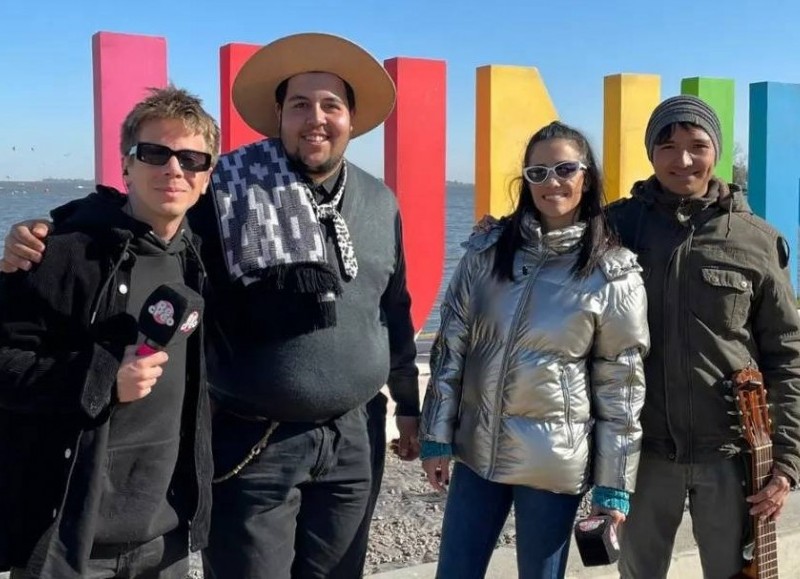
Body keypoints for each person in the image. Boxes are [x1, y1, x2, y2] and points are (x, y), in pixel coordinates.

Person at [1, 32, 421, 579]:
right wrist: (51, 228)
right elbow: (147, 215)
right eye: (298, 104)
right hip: (254, 439)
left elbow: (395, 307)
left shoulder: (380, 200)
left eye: (330, 105)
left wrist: (409, 404)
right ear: (278, 115)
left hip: (354, 439)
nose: (314, 118)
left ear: (351, 118)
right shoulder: (224, 187)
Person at [0, 86, 219, 578]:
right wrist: (99, 379)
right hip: (68, 540)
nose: (173, 169)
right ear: (126, 166)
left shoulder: (203, 259)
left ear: (206, 178)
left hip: (166, 538)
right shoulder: (58, 252)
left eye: (190, 158)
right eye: (154, 153)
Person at [419, 121, 650, 579]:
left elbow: (621, 389)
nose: (553, 183)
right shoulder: (486, 253)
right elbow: (451, 350)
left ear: (587, 177)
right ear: (524, 180)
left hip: (552, 463)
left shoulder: (613, 274)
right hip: (476, 452)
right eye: (538, 172)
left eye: (565, 169)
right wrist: (436, 434)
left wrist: (612, 487)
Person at [605, 94, 800, 578]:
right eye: (668, 145)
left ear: (716, 153)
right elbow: (549, 229)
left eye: (698, 145)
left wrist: (789, 460)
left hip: (732, 457)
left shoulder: (755, 238)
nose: (683, 159)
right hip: (642, 453)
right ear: (651, 152)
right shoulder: (614, 227)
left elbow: (787, 354)